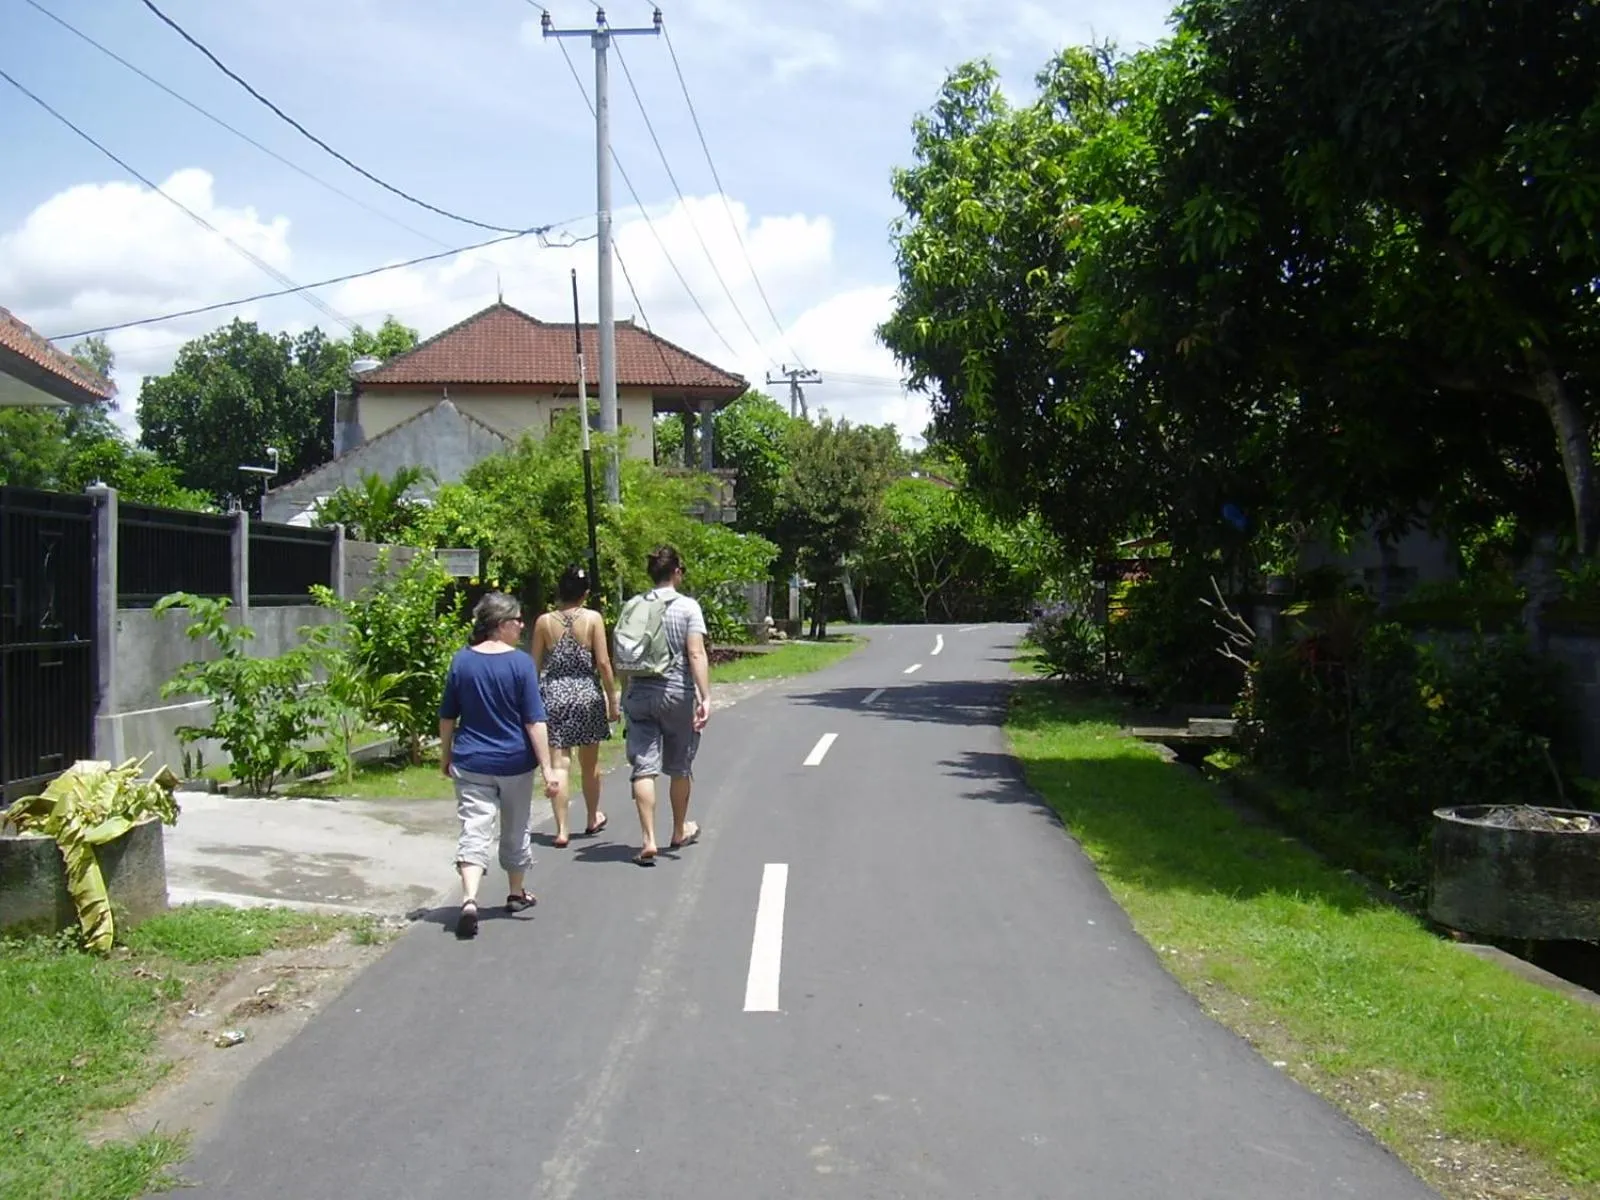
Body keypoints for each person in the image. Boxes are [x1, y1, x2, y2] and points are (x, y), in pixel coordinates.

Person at [438, 592, 562, 938]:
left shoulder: (462, 662)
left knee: (474, 828)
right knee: (515, 827)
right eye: (518, 620)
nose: (522, 626)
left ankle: (469, 899)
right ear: (502, 625)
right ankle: (515, 893)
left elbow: (448, 716)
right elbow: (534, 721)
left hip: (472, 759)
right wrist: (549, 769)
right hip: (514, 762)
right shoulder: (521, 664)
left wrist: (445, 755)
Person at [619, 545, 711, 865]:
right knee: (680, 766)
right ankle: (677, 830)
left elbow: (624, 654)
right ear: (676, 572)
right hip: (676, 693)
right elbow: (696, 653)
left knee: (644, 767)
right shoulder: (688, 607)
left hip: (639, 693)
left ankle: (648, 839)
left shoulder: (632, 605)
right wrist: (705, 696)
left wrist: (622, 694)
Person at [531, 563, 620, 848]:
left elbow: (534, 666)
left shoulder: (544, 622)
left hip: (554, 694)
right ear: (586, 592)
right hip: (586, 693)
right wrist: (612, 698)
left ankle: (561, 829)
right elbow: (604, 663)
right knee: (590, 763)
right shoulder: (593, 618)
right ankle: (593, 816)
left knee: (560, 764)